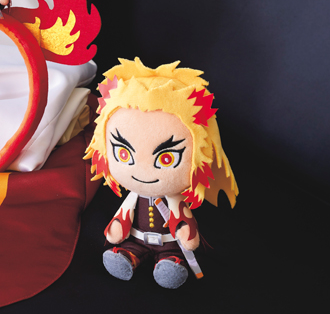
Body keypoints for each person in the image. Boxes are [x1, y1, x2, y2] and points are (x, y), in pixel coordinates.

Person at [84, 57, 238, 288]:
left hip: (169, 242)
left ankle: (169, 263)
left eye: (167, 158)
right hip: (136, 238)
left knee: (171, 259)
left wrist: (187, 235)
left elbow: (184, 224)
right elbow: (122, 217)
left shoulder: (174, 199)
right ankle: (129, 256)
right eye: (124, 154)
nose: (142, 171)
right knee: (126, 249)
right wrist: (116, 231)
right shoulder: (133, 197)